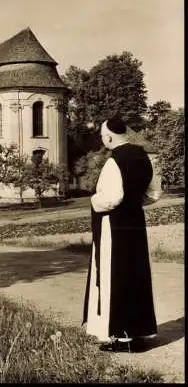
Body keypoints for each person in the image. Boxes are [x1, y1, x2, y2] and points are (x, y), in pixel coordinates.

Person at [82, 116, 162, 352]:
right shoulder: (145, 157)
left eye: (102, 136)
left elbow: (111, 198)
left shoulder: (114, 161)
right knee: (136, 274)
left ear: (108, 137)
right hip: (135, 224)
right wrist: (133, 204)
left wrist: (94, 200)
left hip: (113, 226)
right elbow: (154, 194)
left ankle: (122, 336)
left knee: (112, 275)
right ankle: (138, 334)